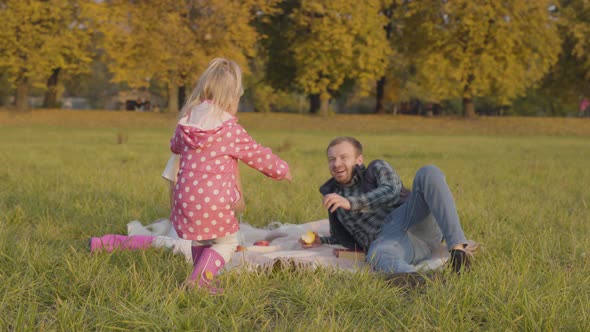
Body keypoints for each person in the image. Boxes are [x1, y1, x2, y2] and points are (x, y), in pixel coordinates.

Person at [92, 58, 292, 293]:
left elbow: (174, 146)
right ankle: (200, 282)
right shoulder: (230, 130)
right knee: (227, 242)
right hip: (214, 203)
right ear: (231, 98)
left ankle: (199, 274)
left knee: (201, 239)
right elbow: (257, 155)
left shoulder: (186, 123)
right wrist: (281, 170)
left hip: (185, 200)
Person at [301, 136, 471, 277]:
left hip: (408, 218)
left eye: (343, 157)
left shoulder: (375, 169)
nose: (336, 164)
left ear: (359, 160)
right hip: (389, 242)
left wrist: (352, 203)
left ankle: (458, 253)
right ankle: (423, 282)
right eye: (332, 159)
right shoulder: (334, 197)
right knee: (378, 254)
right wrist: (322, 240)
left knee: (428, 172)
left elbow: (391, 190)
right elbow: (344, 237)